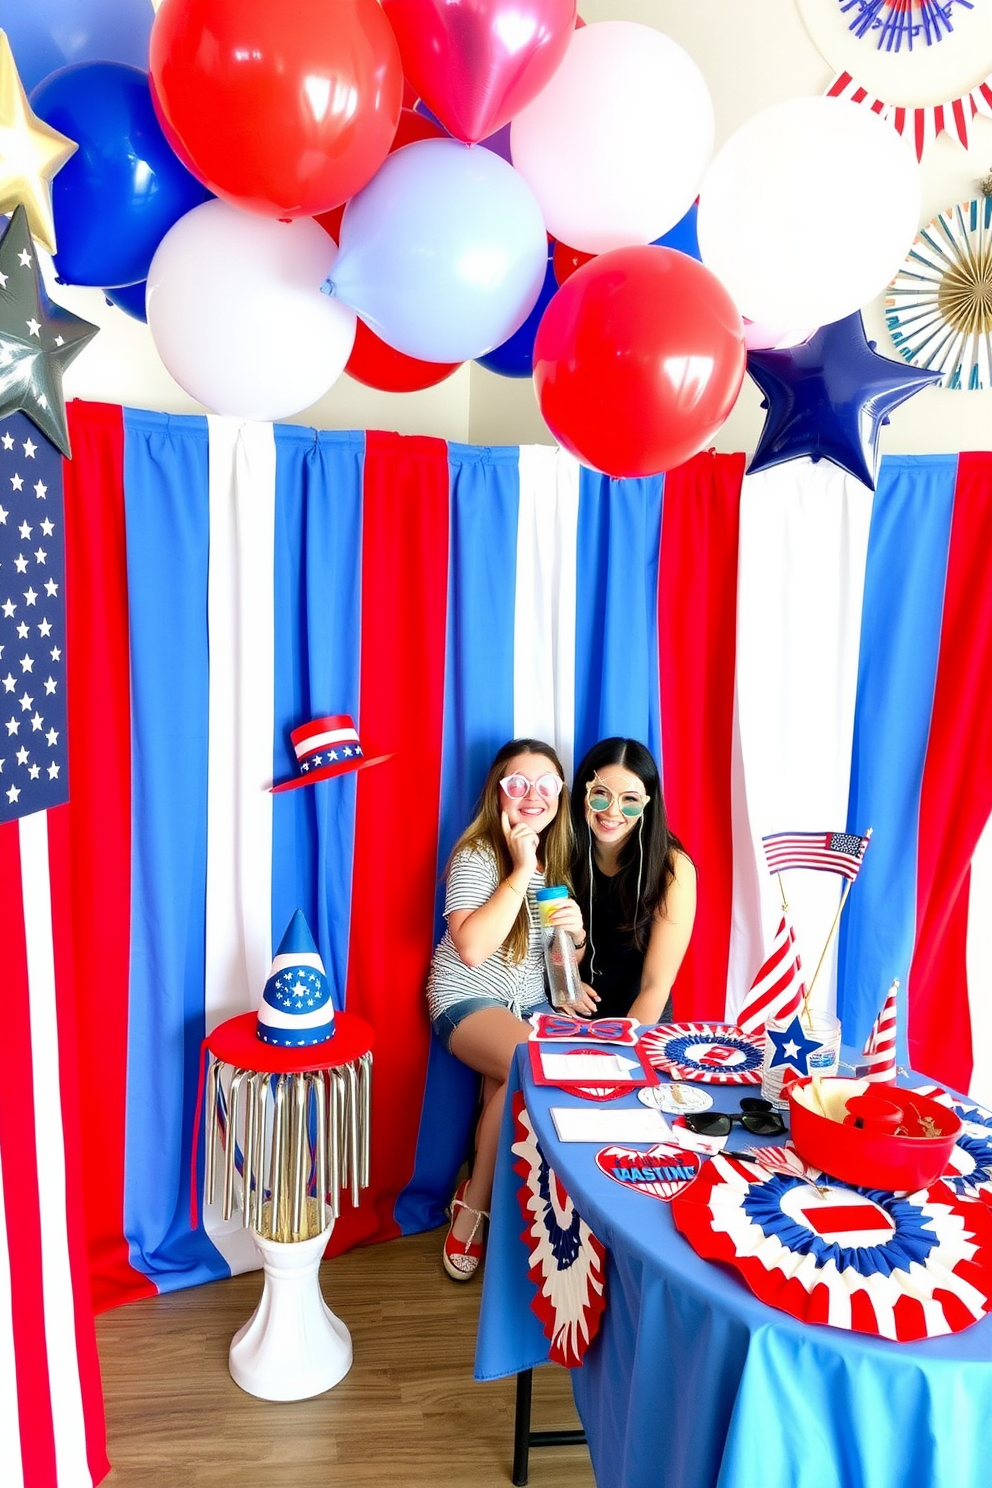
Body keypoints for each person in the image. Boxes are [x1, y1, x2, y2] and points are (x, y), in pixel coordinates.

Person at [427, 738, 587, 1281]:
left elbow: (554, 967)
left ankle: (481, 1200)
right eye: (519, 784)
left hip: (533, 1006)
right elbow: (473, 948)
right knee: (529, 1061)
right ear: (499, 794)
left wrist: (577, 940)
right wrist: (519, 870)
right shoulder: (478, 855)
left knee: (513, 1081)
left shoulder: (557, 864)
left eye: (546, 786)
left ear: (560, 797)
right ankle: (473, 1209)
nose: (532, 797)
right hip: (467, 997)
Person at [570, 737, 696, 1026]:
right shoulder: (562, 851)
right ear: (583, 793)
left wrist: (622, 1048)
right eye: (601, 794)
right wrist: (564, 988)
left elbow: (656, 985)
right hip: (567, 1016)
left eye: (629, 800)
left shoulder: (672, 867)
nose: (612, 812)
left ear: (646, 805)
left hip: (641, 1024)